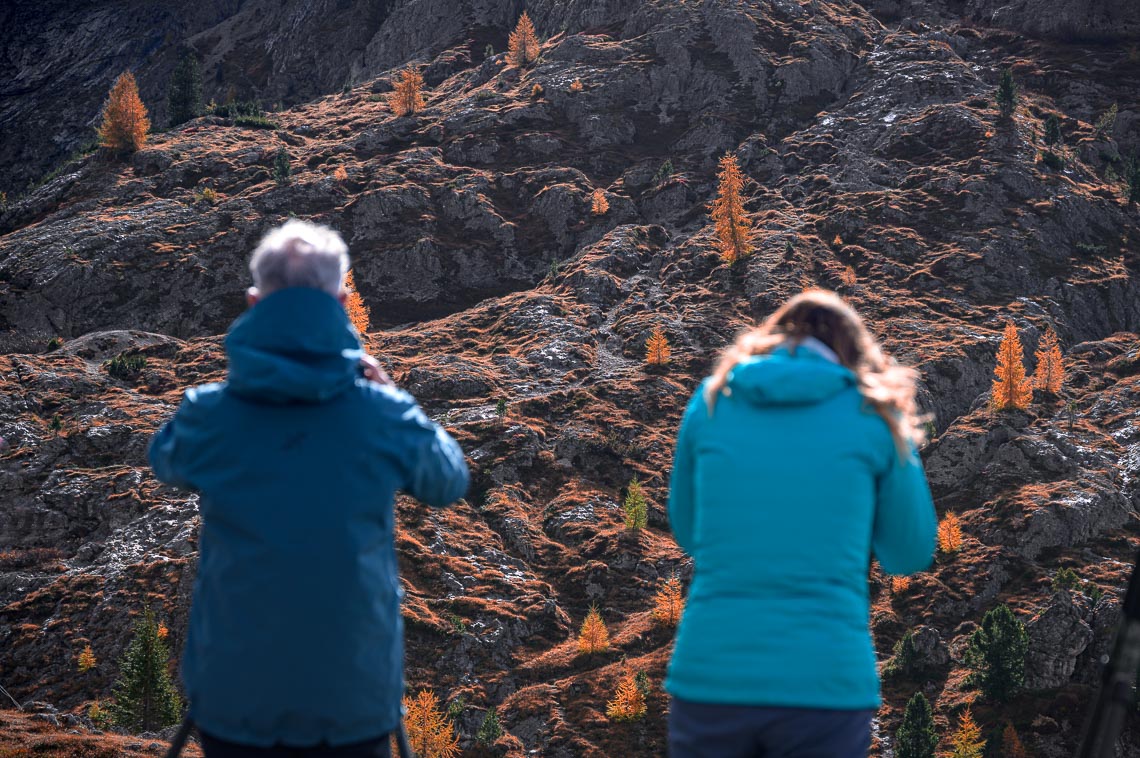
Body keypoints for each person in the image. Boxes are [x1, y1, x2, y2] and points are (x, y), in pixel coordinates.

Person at [149, 219, 469, 757]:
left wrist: (236, 389)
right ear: (343, 300)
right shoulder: (381, 413)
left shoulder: (210, 413)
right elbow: (448, 479)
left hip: (234, 695)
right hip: (352, 696)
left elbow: (167, 462)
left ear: (255, 302)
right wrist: (392, 394)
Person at [665, 289, 937, 758]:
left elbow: (690, 534)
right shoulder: (875, 414)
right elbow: (908, 553)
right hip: (825, 681)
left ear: (770, 337)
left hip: (712, 674)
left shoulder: (711, 401)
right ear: (853, 351)